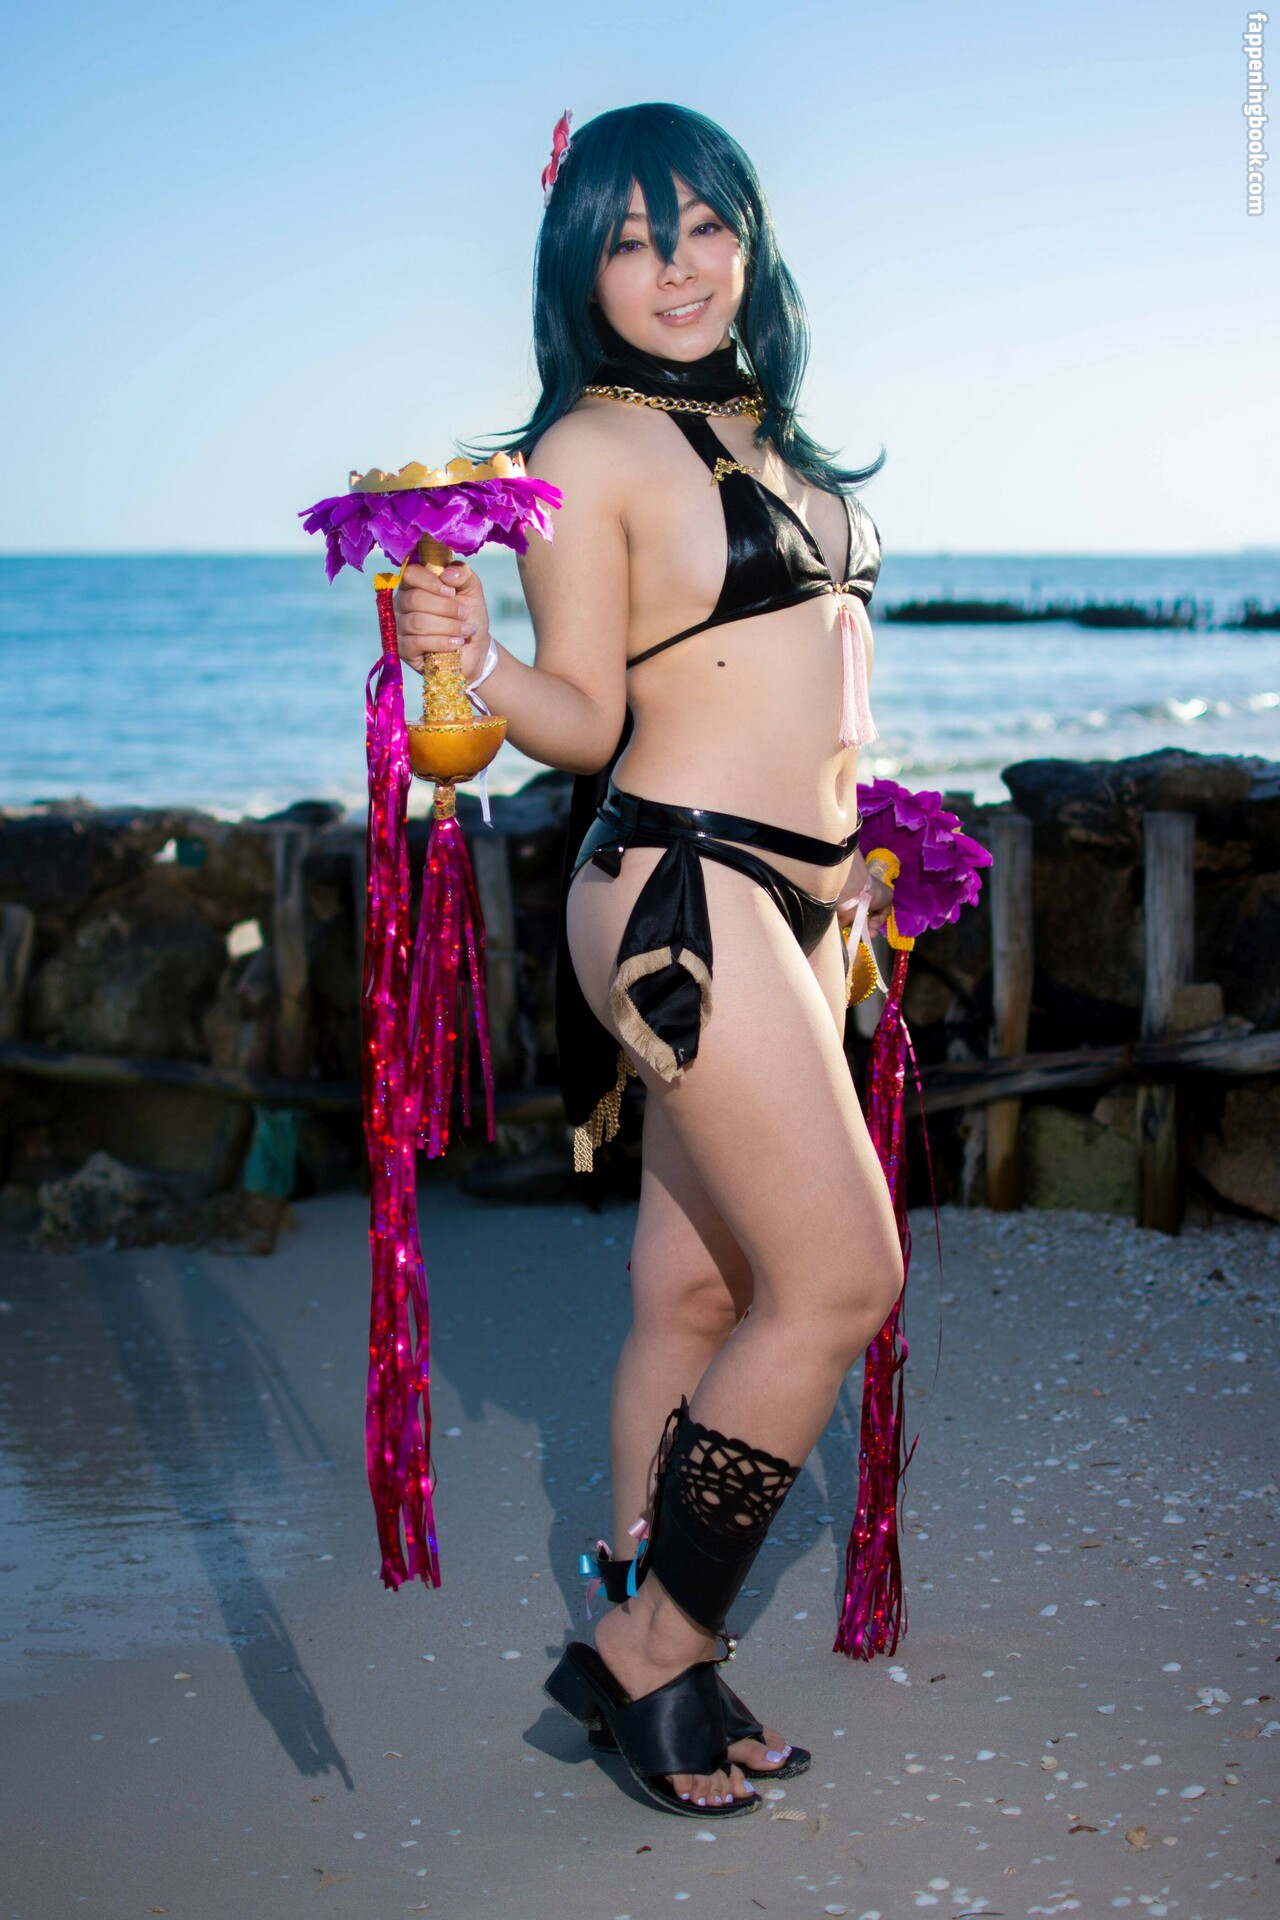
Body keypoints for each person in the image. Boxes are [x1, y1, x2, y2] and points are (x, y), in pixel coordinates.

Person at [392, 102, 904, 1821]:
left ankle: (671, 1666)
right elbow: (587, 715)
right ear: (580, 272)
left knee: (692, 1297)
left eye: (702, 226)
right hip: (682, 890)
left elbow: (816, 675)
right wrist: (469, 660)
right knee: (840, 1280)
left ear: (749, 235)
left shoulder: (769, 430)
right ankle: (643, 1646)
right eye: (629, 240)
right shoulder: (592, 446)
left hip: (804, 903)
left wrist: (871, 841)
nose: (676, 267)